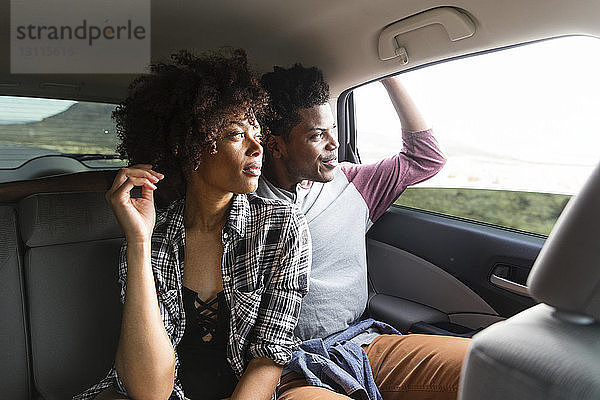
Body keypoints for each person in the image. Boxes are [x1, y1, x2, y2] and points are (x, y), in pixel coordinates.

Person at [73, 50, 311, 400]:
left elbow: (270, 354)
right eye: (235, 135)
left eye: (256, 131)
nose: (257, 146)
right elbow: (149, 389)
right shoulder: (153, 239)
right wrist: (139, 242)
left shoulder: (283, 226)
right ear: (190, 148)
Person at [256, 64, 470, 400]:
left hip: (359, 343)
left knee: (492, 366)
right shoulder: (241, 201)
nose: (334, 143)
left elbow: (426, 158)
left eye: (334, 129)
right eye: (316, 135)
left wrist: (390, 76)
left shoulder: (353, 183)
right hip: (284, 366)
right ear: (276, 145)